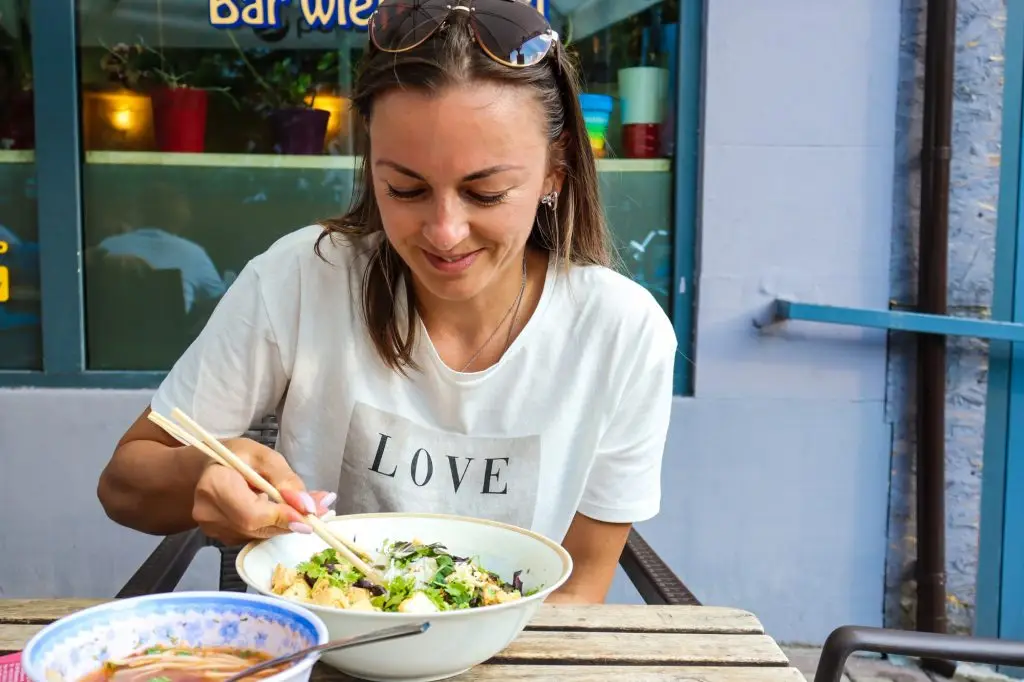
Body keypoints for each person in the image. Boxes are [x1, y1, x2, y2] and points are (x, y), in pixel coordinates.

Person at [97, 0, 677, 604]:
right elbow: (123, 484)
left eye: (486, 192)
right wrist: (200, 477)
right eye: (405, 188)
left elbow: (580, 583)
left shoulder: (622, 333)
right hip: (317, 648)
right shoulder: (302, 279)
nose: (445, 231)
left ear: (555, 173)